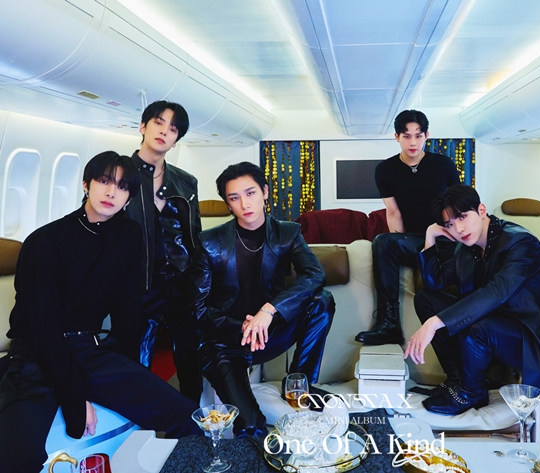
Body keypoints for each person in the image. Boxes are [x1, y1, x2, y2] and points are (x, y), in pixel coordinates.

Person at [0, 152, 201, 473]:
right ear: (85, 184)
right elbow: (43, 329)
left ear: (129, 196)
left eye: (122, 187)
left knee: (189, 418)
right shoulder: (45, 242)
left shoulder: (128, 236)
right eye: (104, 181)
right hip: (37, 356)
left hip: (92, 352)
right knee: (17, 458)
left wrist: (130, 372)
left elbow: (127, 312)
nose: (111, 192)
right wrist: (74, 397)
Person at [189, 162, 335, 437]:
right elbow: (196, 309)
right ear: (228, 203)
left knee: (322, 301)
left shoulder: (287, 233)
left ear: (265, 192)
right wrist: (243, 326)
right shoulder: (209, 242)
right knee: (250, 426)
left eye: (251, 193)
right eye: (234, 198)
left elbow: (315, 274)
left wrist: (269, 311)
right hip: (226, 343)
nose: (245, 204)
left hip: (270, 332)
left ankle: (299, 382)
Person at [404, 185, 540, 415]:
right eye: (449, 225)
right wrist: (430, 236)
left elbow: (496, 292)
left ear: (481, 210)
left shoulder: (520, 242)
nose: (458, 229)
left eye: (462, 217)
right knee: (426, 300)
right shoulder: (467, 249)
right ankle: (456, 380)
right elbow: (435, 284)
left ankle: (472, 392)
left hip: (532, 336)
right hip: (496, 325)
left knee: (478, 325)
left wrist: (434, 323)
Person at [355, 109, 460, 345]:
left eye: (418, 135)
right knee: (384, 242)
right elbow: (393, 213)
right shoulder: (385, 170)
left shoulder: (443, 165)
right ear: (397, 137)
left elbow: (458, 205)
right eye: (406, 136)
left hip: (447, 239)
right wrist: (398, 245)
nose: (413, 142)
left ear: (427, 136)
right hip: (416, 240)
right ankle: (389, 324)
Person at [124, 100, 202, 403]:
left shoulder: (186, 182)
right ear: (143, 127)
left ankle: (192, 419)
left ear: (176, 139)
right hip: (138, 284)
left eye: (173, 129)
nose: (164, 131)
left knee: (190, 358)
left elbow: (194, 236)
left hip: (182, 283)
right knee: (138, 358)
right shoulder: (119, 176)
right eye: (158, 122)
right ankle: (138, 419)